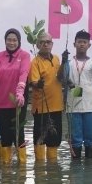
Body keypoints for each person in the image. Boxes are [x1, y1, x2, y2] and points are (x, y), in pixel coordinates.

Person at [0, 28, 31, 164]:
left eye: (14, 40)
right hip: (1, 101)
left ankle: (22, 167)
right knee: (5, 135)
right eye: (9, 40)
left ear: (19, 41)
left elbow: (24, 74)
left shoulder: (24, 56)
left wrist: (20, 93)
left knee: (18, 135)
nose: (11, 42)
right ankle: (6, 167)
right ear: (5, 41)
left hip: (17, 102)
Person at [66, 30, 92, 160]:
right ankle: (75, 169)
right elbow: (61, 79)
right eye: (79, 42)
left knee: (90, 139)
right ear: (74, 44)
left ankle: (89, 169)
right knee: (75, 139)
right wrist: (63, 63)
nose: (82, 44)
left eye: (84, 42)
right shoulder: (69, 63)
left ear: (89, 45)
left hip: (90, 106)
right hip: (73, 107)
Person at [28, 31, 64, 161]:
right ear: (37, 45)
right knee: (40, 138)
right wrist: (38, 84)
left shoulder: (56, 59)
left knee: (54, 139)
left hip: (57, 106)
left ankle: (53, 167)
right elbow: (34, 82)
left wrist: (64, 63)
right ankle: (39, 168)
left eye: (48, 42)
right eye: (42, 42)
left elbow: (61, 77)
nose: (45, 44)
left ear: (52, 44)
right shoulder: (35, 62)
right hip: (41, 107)